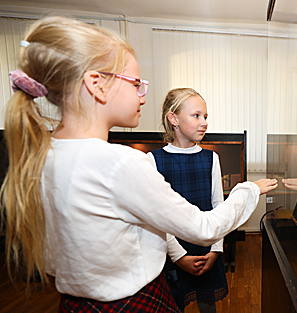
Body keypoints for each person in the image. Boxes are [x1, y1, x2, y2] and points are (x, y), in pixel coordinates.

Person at [0, 16, 278, 313]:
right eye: (135, 84)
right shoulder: (120, 163)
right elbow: (203, 226)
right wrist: (248, 190)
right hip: (132, 303)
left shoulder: (42, 155)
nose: (142, 96)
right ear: (97, 85)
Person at [150, 88, 226, 312]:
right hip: (172, 249)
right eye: (196, 115)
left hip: (206, 247)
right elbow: (158, 216)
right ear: (173, 118)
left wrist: (215, 250)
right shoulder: (152, 160)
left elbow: (218, 207)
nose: (204, 122)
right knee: (174, 304)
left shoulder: (211, 158)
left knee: (207, 305)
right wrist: (179, 256)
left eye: (206, 117)